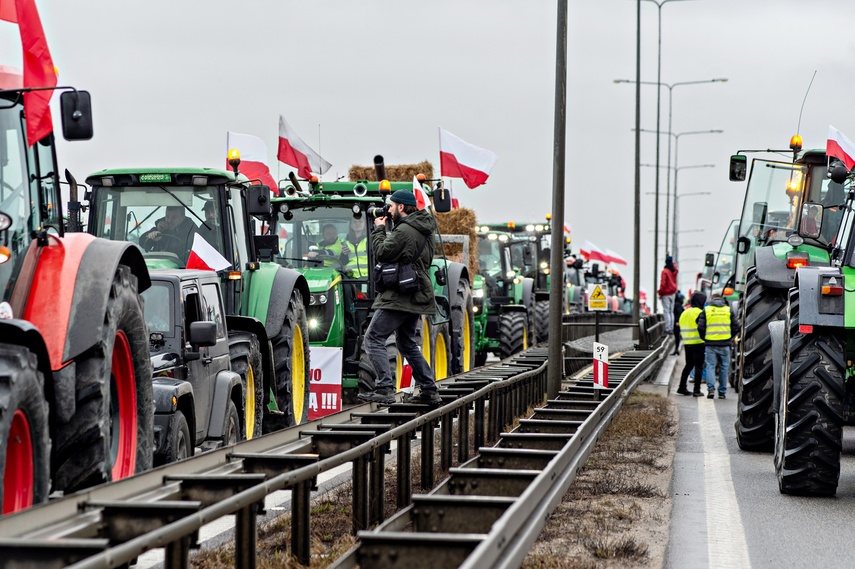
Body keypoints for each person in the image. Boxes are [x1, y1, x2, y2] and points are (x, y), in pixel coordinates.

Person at [359, 190, 440, 405]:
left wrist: (378, 230)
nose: (389, 210)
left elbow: (383, 253)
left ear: (402, 208)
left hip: (400, 294)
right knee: (406, 344)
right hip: (416, 292)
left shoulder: (404, 230)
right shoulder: (425, 230)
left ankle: (385, 387)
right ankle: (429, 389)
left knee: (373, 337)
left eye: (391, 206)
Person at [698, 291, 740, 399]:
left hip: (710, 344)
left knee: (710, 366)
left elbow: (700, 327)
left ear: (711, 299)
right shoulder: (728, 310)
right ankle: (722, 392)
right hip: (725, 344)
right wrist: (729, 337)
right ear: (721, 299)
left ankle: (711, 390)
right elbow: (736, 326)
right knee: (724, 368)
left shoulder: (707, 310)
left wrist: (705, 338)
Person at [676, 292, 706, 396]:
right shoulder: (700, 312)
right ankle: (696, 390)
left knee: (688, 365)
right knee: (698, 367)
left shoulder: (685, 313)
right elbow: (702, 327)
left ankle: (681, 387)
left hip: (687, 343)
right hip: (698, 343)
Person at [658, 255, 678, 334]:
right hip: (672, 293)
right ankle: (671, 328)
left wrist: (660, 292)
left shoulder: (665, 271)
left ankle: (667, 328)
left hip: (666, 293)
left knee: (666, 311)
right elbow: (675, 267)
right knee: (671, 311)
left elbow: (663, 283)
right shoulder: (674, 271)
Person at [672, 289, 685, 355]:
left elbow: (678, 313)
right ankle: (676, 349)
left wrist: (677, 321)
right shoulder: (679, 304)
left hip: (676, 323)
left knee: (677, 336)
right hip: (678, 322)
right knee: (677, 337)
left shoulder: (676, 304)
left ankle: (676, 350)